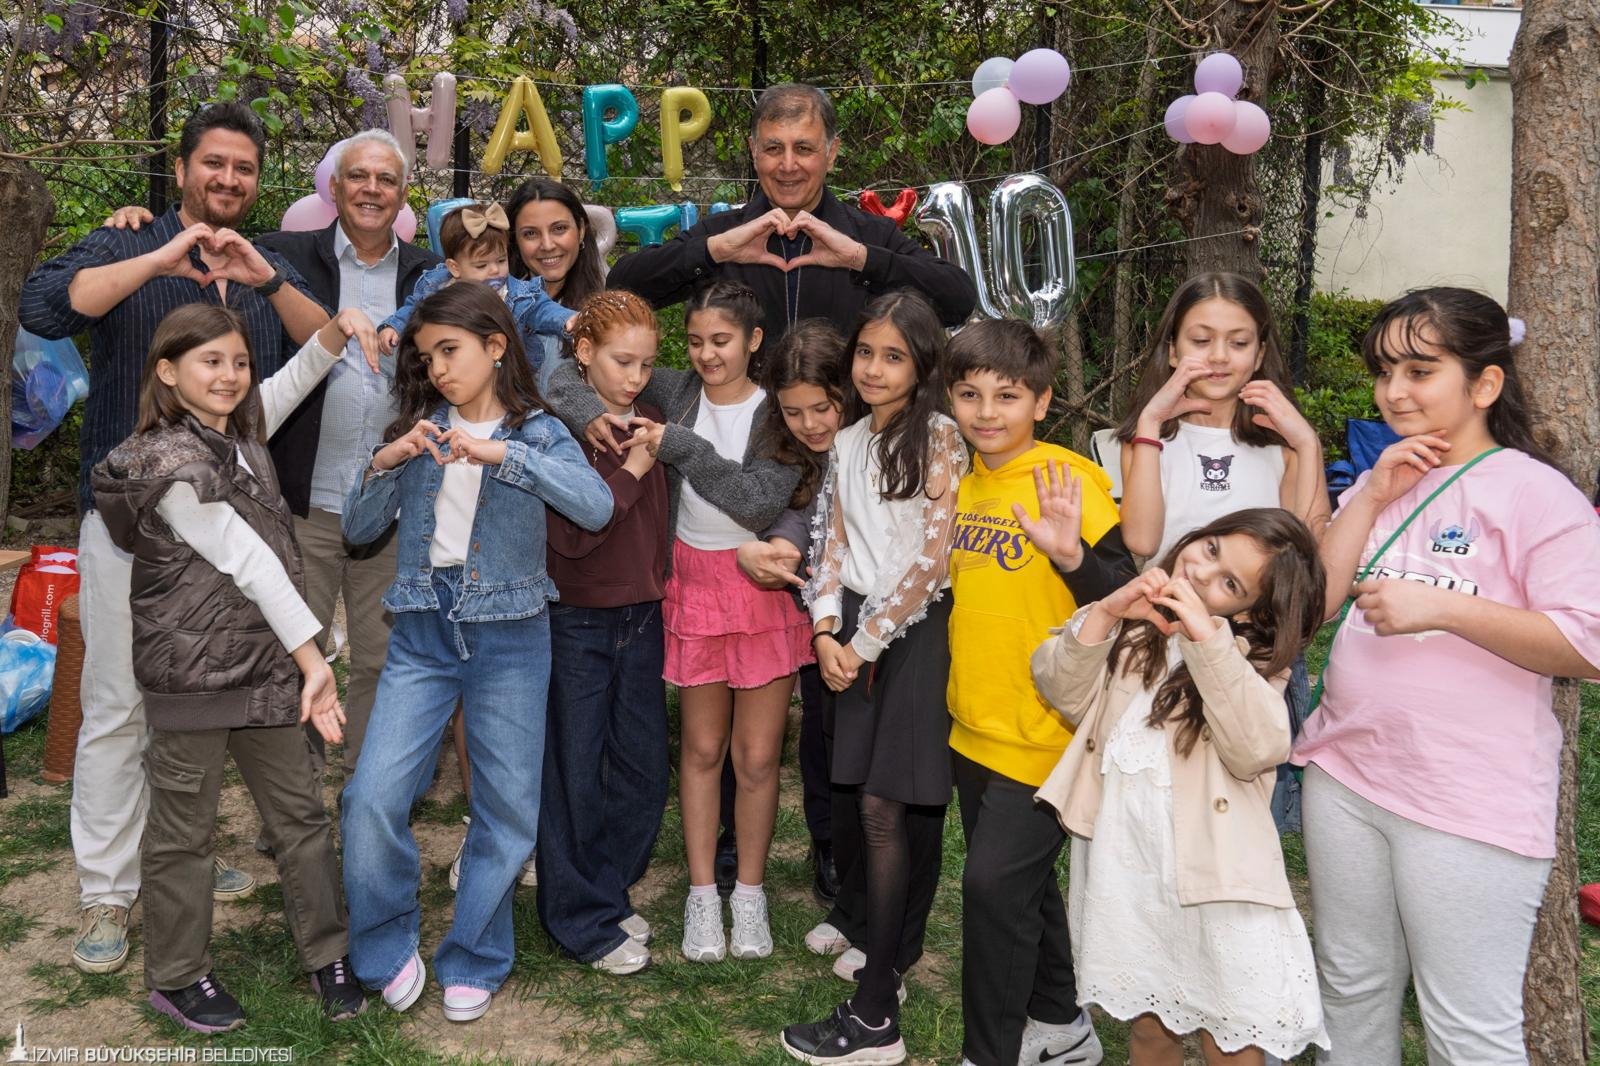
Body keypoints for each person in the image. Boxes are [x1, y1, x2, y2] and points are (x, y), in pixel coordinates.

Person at [19, 101, 334, 974]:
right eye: (214, 164)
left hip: (227, 533)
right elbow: (45, 307)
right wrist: (159, 258)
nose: (228, 179)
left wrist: (264, 280)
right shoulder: (129, 241)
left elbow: (323, 345)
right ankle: (106, 890)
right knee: (119, 706)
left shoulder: (261, 265)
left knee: (202, 703)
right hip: (130, 529)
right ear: (184, 168)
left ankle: (179, 850)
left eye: (244, 168)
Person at [1292, 288, 1600, 1064]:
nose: (1394, 391)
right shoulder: (1387, 475)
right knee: (1350, 988)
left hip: (1467, 799)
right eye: (1384, 371)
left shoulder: (1537, 494)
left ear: (1485, 383)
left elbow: (1588, 644)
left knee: (1466, 1029)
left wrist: (1445, 608)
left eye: (1420, 371)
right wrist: (1372, 496)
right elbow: (1313, 608)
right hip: (1346, 775)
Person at [103, 129, 439, 774]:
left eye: (387, 180)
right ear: (333, 187)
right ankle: (296, 789)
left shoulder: (429, 276)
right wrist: (137, 224)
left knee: (383, 656)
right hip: (300, 499)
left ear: (403, 196)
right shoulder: (283, 254)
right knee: (291, 648)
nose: (371, 189)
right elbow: (203, 239)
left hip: (394, 503)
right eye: (358, 176)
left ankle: (368, 786)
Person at [91, 304, 377, 1032]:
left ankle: (328, 954)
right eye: (209, 361)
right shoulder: (169, 464)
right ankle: (178, 976)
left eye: (239, 362)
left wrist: (336, 332)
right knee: (184, 834)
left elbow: (287, 384)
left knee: (300, 816)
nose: (230, 376)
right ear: (166, 371)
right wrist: (314, 659)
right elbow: (247, 558)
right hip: (194, 682)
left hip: (262, 672)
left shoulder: (241, 438)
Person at [338, 283, 613, 1024]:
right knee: (370, 797)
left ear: (496, 347)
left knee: (506, 811)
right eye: (427, 357)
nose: (436, 368)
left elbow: (595, 507)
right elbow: (358, 530)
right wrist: (385, 462)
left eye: (449, 351)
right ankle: (384, 941)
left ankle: (476, 955)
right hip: (423, 630)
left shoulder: (541, 433)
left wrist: (504, 456)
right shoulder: (420, 431)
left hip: (513, 633)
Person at [544, 280, 805, 965]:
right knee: (683, 751)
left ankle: (736, 893)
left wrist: (679, 447)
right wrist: (587, 416)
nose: (707, 355)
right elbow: (565, 375)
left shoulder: (770, 411)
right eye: (694, 342)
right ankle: (684, 896)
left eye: (721, 341)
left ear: (754, 340)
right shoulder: (675, 388)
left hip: (741, 589)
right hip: (676, 588)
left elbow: (756, 501)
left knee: (730, 760)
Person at [1033, 509, 1331, 1066]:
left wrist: (1206, 638)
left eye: (1230, 584)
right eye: (1211, 549)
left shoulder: (1250, 661)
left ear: (1252, 610)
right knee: (1149, 1026)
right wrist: (1106, 612)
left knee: (1230, 1038)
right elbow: (1061, 689)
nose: (1200, 571)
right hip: (1129, 864)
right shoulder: (1138, 626)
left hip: (1215, 880)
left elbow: (1257, 747)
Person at [781, 290, 966, 1066]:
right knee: (864, 800)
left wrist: (863, 642)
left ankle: (877, 1002)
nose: (874, 368)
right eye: (865, 352)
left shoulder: (941, 438)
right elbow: (831, 540)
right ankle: (876, 954)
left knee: (889, 808)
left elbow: (931, 557)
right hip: (853, 627)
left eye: (894, 356)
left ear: (923, 364)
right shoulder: (850, 439)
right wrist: (825, 626)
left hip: (914, 635)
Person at [943, 319, 1130, 1066]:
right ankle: (1061, 1022)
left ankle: (987, 1053)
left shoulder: (1066, 480)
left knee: (991, 888)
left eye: (1008, 396)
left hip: (1049, 731)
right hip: (973, 723)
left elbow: (1124, 595)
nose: (987, 412)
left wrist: (1074, 558)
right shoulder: (961, 482)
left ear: (1042, 402)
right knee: (1019, 887)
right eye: (969, 394)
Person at [1115, 271, 1329, 832]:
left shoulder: (1282, 447)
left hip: (1253, 655)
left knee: (1243, 822)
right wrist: (1150, 421)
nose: (1218, 357)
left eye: (1238, 342)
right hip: (1161, 642)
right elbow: (1141, 540)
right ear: (1171, 350)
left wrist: (1306, 443)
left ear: (1259, 354)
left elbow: (1306, 555)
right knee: (1159, 811)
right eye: (1200, 340)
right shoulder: (1148, 439)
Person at [607, 83, 977, 350]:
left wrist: (860, 259)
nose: (787, 165)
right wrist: (715, 251)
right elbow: (622, 286)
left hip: (846, 426)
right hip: (744, 432)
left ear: (831, 153)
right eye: (773, 148)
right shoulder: (724, 235)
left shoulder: (868, 235)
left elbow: (957, 300)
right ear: (753, 152)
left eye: (803, 148)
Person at [535, 290, 671, 976]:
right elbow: (573, 536)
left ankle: (607, 890)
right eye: (622, 361)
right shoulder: (558, 433)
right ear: (584, 353)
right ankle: (578, 918)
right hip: (577, 618)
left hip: (643, 616)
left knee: (643, 769)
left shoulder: (651, 420)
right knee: (575, 772)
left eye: (646, 364)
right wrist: (634, 470)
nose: (635, 378)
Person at [736, 320, 848, 911]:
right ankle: (827, 843)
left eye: (822, 408)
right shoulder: (787, 451)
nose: (811, 424)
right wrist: (780, 546)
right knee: (820, 734)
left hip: (882, 612)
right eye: (794, 412)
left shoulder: (877, 440)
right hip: (815, 614)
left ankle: (867, 844)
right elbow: (796, 512)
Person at [377, 201, 576, 380]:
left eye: (501, 260)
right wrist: (395, 326)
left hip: (505, 378)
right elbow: (413, 308)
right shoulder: (437, 288)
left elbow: (543, 308)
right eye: (482, 265)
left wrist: (567, 319)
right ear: (455, 268)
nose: (495, 270)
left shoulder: (515, 295)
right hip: (450, 377)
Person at [505, 178, 608, 386]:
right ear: (515, 240)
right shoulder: (497, 298)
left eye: (559, 228)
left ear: (580, 230)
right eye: (530, 233)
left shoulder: (606, 312)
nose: (547, 245)